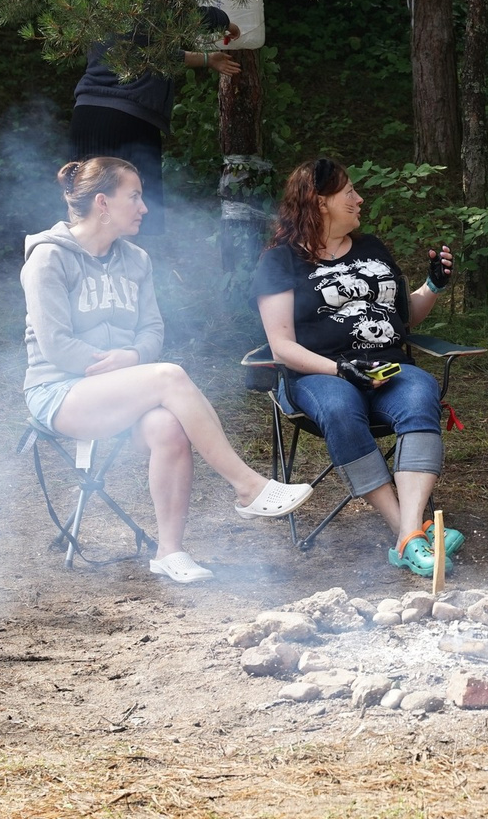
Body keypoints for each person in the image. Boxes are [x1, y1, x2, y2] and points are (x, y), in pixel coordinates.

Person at [21, 158, 312, 584]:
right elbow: (56, 345)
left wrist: (132, 358)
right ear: (103, 203)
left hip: (125, 390)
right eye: (134, 196)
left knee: (169, 428)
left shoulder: (137, 260)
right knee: (169, 376)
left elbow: (152, 330)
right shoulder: (49, 258)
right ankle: (247, 486)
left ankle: (169, 552)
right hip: (61, 391)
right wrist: (120, 368)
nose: (144, 208)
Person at [253, 158, 459, 577]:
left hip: (389, 366)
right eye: (349, 191)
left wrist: (433, 285)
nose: (359, 199)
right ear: (320, 201)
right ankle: (406, 531)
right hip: (318, 373)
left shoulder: (372, 248)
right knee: (340, 408)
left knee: (421, 396)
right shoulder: (281, 261)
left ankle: (409, 533)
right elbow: (282, 345)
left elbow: (404, 319)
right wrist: (340, 369)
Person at [70, 6, 239, 237]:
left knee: (87, 212)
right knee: (133, 214)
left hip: (86, 115)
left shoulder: (100, 3)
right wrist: (228, 24)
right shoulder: (142, 0)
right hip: (127, 120)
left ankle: (82, 259)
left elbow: (152, 53)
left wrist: (208, 59)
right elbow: (188, 17)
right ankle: (129, 261)